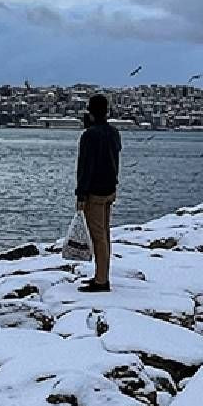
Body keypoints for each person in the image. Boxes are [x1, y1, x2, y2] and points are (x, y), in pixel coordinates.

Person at [75, 94, 121, 292]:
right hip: (110, 189)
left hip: (94, 192)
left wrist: (81, 195)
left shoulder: (89, 136)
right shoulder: (114, 133)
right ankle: (102, 275)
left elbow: (85, 167)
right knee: (105, 234)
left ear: (90, 112)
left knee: (98, 237)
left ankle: (101, 280)